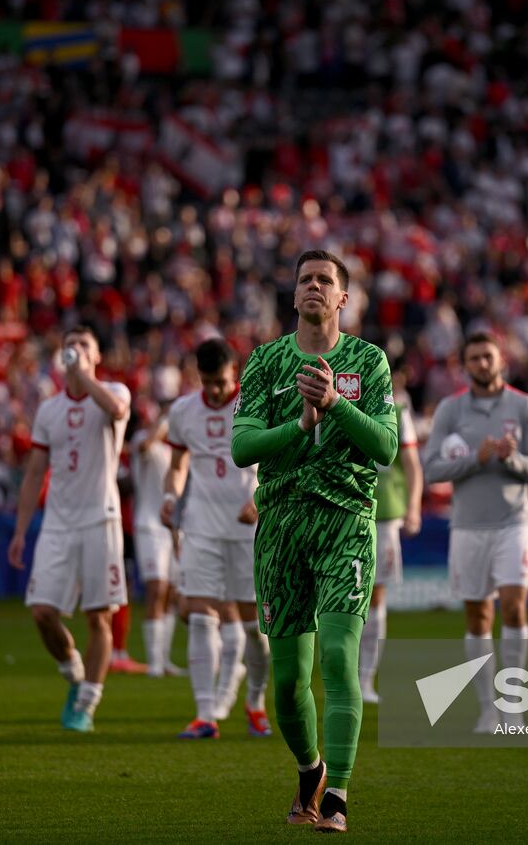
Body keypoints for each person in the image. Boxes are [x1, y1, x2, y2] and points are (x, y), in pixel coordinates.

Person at [231, 249, 398, 834]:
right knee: (286, 682)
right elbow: (243, 448)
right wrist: (300, 424)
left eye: (326, 280)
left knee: (336, 658)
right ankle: (311, 770)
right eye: (305, 279)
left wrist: (334, 405)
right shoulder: (265, 361)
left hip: (345, 523)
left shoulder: (368, 361)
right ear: (294, 293)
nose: (314, 286)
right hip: (279, 526)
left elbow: (385, 447)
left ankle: (339, 796)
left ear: (343, 299)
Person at [421, 333, 528, 731]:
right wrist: (476, 460)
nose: (482, 363)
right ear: (465, 365)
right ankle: (488, 708)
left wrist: (514, 461)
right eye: (474, 358)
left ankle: (514, 705)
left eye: (488, 356)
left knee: (513, 606)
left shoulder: (524, 405)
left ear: (501, 360)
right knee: (478, 614)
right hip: (468, 527)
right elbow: (432, 470)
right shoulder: (451, 409)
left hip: (513, 521)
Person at [8, 326, 131, 732]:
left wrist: (85, 378)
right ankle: (72, 669)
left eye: (83, 345)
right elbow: (34, 473)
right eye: (69, 346)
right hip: (58, 523)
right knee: (42, 612)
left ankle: (87, 703)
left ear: (97, 356)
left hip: (101, 518)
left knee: (100, 617)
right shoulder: (49, 410)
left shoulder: (114, 391)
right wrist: (22, 530)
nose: (75, 351)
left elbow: (115, 411)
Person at [164, 338, 271, 739]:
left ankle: (255, 702)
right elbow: (177, 465)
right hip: (201, 526)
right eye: (207, 382)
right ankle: (206, 714)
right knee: (201, 615)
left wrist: (260, 499)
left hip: (247, 530)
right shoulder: (183, 411)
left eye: (221, 383)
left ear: (235, 375)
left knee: (254, 630)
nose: (213, 390)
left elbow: (280, 461)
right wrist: (171, 496)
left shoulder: (256, 405)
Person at [358, 371, 423, 705]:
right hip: (344, 510)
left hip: (384, 514)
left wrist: (413, 507)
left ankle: (365, 679)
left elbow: (411, 463)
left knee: (375, 596)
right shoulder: (343, 403)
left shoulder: (397, 411)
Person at [130, 400, 183, 677]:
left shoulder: (175, 449)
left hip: (170, 527)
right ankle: (153, 662)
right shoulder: (144, 440)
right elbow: (144, 445)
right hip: (148, 524)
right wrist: (163, 422)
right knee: (156, 589)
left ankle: (164, 660)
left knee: (172, 593)